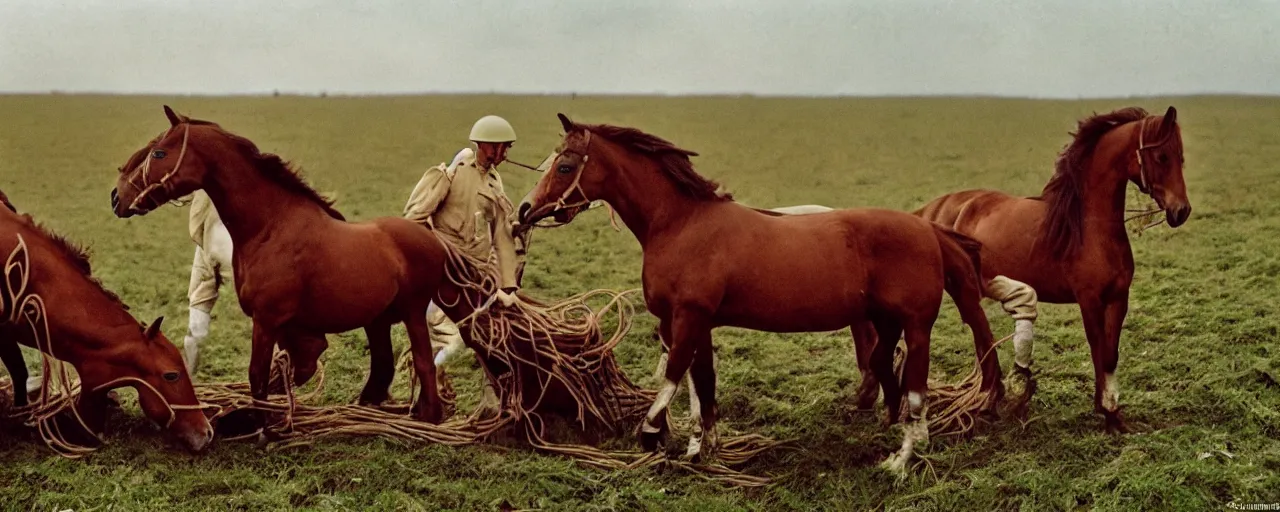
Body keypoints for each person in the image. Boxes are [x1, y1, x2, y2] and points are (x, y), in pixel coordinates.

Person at [403, 115, 526, 407]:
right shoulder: (453, 172)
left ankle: (475, 397)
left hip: (477, 277)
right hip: (442, 275)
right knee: (451, 341)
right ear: (487, 146)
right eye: (502, 147)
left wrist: (508, 286)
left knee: (487, 339)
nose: (506, 154)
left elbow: (501, 237)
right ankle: (431, 385)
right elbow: (414, 219)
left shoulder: (495, 182)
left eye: (508, 148)